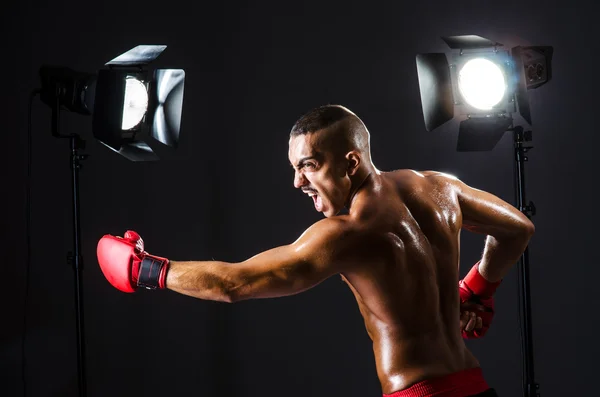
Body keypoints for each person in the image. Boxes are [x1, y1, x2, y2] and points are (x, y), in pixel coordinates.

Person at [97, 105, 535, 397]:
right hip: (476, 388)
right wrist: (477, 289)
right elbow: (517, 228)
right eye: (294, 168)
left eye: (309, 165)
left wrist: (145, 270)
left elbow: (236, 283)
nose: (297, 182)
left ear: (350, 162)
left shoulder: (349, 233)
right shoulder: (441, 188)